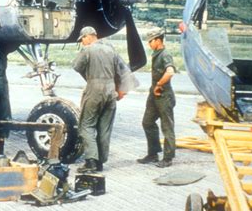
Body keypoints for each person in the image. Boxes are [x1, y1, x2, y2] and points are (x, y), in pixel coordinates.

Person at [73, 26, 136, 173]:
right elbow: (122, 71)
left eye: (82, 39)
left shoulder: (87, 50)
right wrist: (120, 90)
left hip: (95, 89)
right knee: (104, 128)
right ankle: (100, 162)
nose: (82, 42)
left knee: (86, 126)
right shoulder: (111, 49)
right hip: (111, 90)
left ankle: (91, 162)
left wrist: (89, 77)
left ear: (88, 36)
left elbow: (77, 66)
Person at [137, 28, 176, 168]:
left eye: (151, 41)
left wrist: (159, 84)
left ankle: (168, 158)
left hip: (164, 95)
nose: (149, 44)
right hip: (154, 95)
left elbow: (170, 72)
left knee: (167, 127)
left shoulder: (165, 54)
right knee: (147, 122)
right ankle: (153, 154)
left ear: (158, 40)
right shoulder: (156, 53)